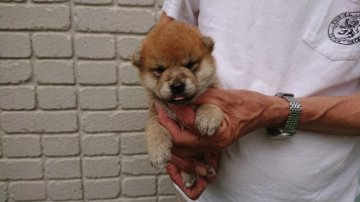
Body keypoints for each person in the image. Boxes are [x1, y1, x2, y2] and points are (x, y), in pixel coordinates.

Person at [155, 1, 360, 202]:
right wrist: (166, 125)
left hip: (326, 193)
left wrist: (276, 112)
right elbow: (160, 42)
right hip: (208, 192)